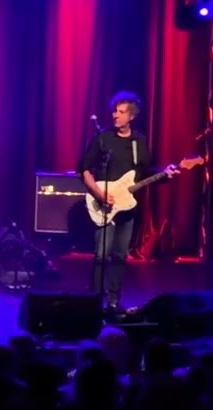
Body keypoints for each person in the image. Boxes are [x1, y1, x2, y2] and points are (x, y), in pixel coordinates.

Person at [76, 91, 180, 312]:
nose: (116, 115)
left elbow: (145, 173)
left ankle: (114, 301)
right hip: (103, 203)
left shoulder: (138, 141)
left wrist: (165, 174)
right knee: (101, 255)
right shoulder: (103, 138)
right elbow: (84, 169)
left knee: (120, 256)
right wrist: (98, 193)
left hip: (127, 207)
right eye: (115, 111)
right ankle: (94, 299)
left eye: (121, 112)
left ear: (132, 116)